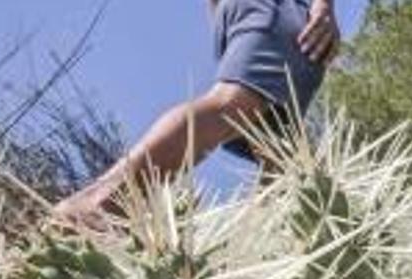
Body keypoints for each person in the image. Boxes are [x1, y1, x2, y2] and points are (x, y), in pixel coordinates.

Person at [53, 0, 340, 227]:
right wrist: (323, 7)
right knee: (232, 103)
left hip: (239, 14)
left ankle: (249, 262)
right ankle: (103, 200)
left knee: (281, 160)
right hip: (277, 10)